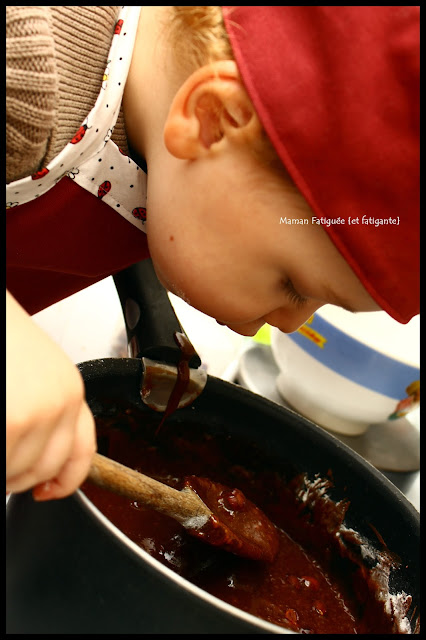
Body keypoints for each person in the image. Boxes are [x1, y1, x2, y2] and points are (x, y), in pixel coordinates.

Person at [6, 6, 419, 501]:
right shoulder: (26, 66)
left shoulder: (174, 168)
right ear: (214, 121)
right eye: (292, 284)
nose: (289, 324)